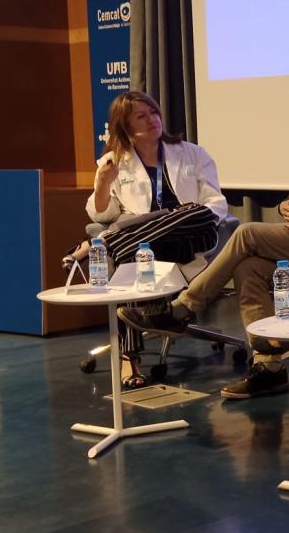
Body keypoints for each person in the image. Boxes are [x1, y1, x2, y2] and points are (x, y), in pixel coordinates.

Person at [122, 76, 289, 398]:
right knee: (248, 268)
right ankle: (269, 368)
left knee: (247, 232)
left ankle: (182, 308)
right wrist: (287, 204)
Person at [69, 91, 229, 388]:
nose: (152, 120)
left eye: (154, 112)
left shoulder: (192, 153)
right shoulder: (113, 162)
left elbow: (215, 203)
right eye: (141, 116)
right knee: (134, 255)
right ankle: (129, 357)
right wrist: (102, 183)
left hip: (192, 236)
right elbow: (102, 213)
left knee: (192, 211)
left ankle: (105, 243)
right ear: (125, 126)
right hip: (145, 246)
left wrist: (179, 216)